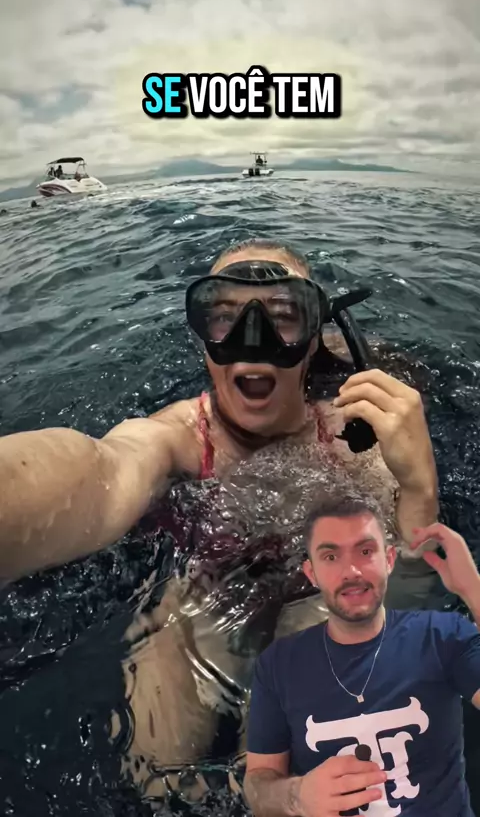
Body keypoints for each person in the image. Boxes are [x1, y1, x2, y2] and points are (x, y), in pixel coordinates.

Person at [0, 239, 439, 794]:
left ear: (311, 339)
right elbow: (101, 469)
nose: (251, 339)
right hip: (207, 593)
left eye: (283, 315)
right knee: (159, 782)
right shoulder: (178, 439)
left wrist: (420, 486)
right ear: (202, 339)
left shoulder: (352, 441)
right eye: (224, 315)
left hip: (321, 599)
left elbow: (415, 575)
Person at [244, 497, 480, 817]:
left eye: (366, 551)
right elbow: (258, 785)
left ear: (390, 559)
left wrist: (473, 589)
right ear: (312, 573)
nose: (351, 571)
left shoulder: (442, 637)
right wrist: (297, 796)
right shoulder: (278, 666)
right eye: (331, 557)